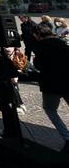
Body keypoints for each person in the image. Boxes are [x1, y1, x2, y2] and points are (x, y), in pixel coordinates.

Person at [32, 23, 69, 154]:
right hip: (67, 81)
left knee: (50, 109)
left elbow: (38, 65)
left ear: (37, 35)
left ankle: (67, 137)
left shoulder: (39, 46)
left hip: (51, 85)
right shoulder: (62, 42)